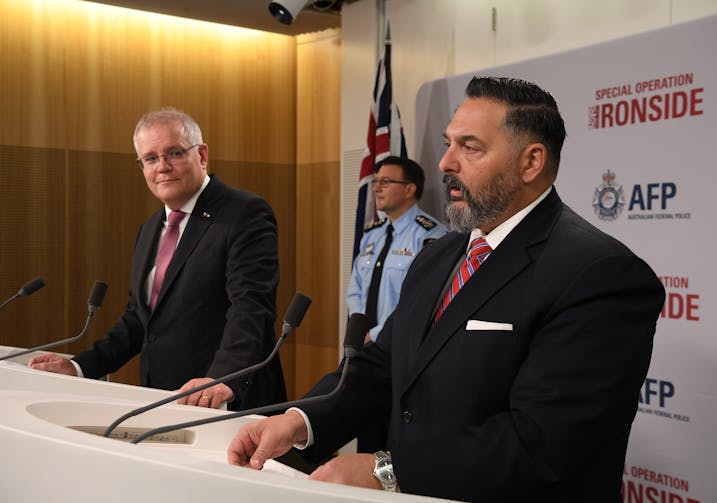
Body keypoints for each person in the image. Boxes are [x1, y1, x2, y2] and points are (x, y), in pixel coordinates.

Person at [227, 77, 665, 501]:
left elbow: (544, 442)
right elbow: (381, 366)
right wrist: (298, 418)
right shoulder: (441, 253)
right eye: (449, 143)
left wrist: (388, 472)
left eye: (469, 147)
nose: (445, 163)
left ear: (531, 162)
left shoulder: (600, 274)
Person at [29, 107, 286, 411]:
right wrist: (80, 367)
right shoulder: (150, 229)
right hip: (161, 399)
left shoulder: (244, 214)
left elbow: (250, 308)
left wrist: (220, 379)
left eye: (174, 153)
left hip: (224, 403)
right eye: (151, 158)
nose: (162, 167)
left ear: (202, 155)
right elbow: (140, 318)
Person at [346, 156, 446, 453]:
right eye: (375, 181)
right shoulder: (372, 235)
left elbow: (421, 301)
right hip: (366, 350)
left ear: (409, 189)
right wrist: (359, 329)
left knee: (394, 442)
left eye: (386, 182)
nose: (376, 188)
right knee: (366, 433)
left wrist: (377, 334)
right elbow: (356, 290)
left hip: (402, 351)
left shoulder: (431, 236)